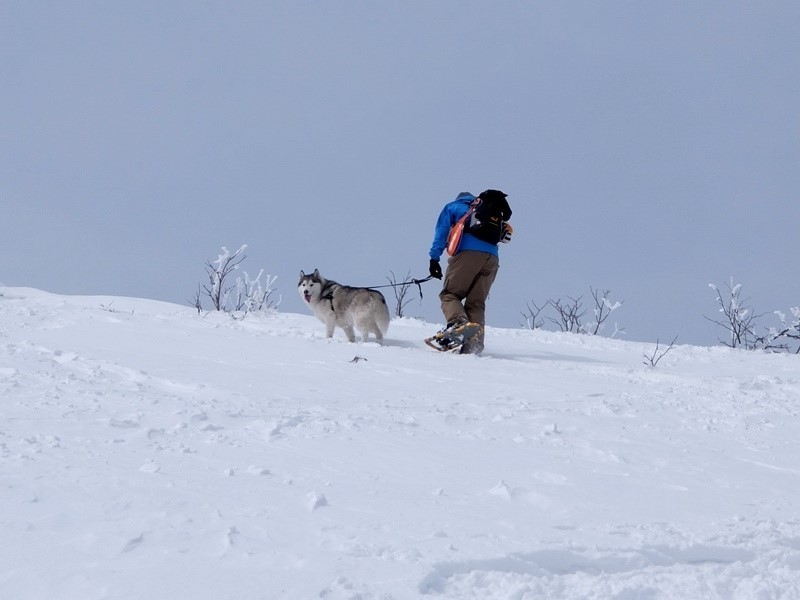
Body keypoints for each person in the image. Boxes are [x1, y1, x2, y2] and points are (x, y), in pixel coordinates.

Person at [427, 189, 512, 354]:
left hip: (468, 254)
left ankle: (458, 324)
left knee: (450, 295)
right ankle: (474, 345)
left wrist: (434, 259)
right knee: (476, 303)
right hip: (492, 259)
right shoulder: (488, 209)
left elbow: (442, 232)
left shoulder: (454, 207)